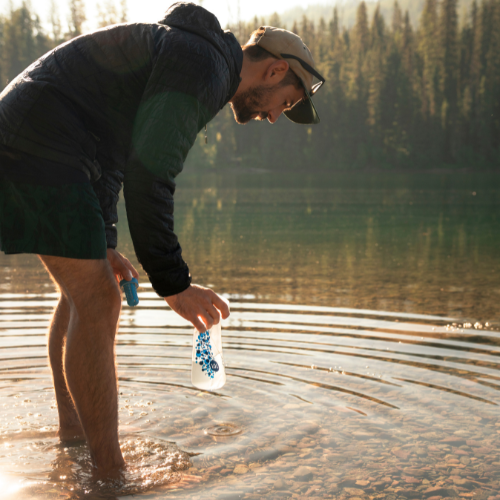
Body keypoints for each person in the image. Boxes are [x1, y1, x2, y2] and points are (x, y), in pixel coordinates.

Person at [0, 2, 324, 474]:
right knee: (97, 298)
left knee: (82, 294)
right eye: (287, 102)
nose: (276, 117)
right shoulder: (202, 64)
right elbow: (151, 173)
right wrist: (174, 283)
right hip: (42, 141)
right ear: (275, 70)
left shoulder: (197, 57)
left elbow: (117, 153)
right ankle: (111, 474)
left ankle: (73, 436)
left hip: (44, 138)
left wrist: (106, 239)